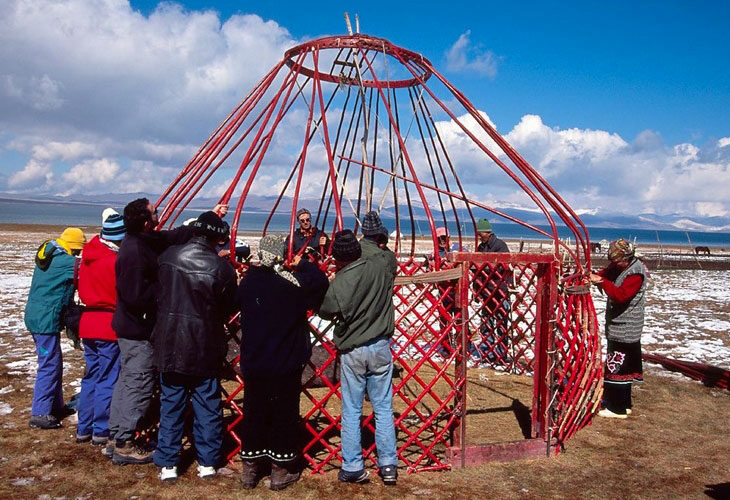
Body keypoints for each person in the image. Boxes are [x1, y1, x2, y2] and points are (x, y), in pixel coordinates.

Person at [109, 197, 226, 465]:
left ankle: (116, 436)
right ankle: (124, 443)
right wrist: (169, 292)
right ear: (147, 221)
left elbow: (172, 236)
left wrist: (207, 216)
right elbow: (136, 296)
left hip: (135, 327)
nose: (159, 214)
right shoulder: (135, 252)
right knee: (137, 383)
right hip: (137, 330)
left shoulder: (144, 240)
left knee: (129, 381)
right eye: (155, 212)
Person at [235, 234, 328, 491]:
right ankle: (280, 471)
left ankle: (249, 472)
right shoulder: (292, 284)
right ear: (280, 254)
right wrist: (304, 264)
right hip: (285, 362)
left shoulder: (248, 283)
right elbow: (320, 284)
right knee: (284, 415)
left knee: (254, 412)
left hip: (255, 362)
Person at [151, 211, 238, 481]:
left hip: (170, 340)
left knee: (171, 403)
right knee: (207, 404)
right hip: (204, 343)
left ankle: (167, 464)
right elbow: (228, 306)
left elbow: (158, 295)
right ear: (216, 237)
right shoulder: (222, 268)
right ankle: (208, 463)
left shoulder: (168, 257)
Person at [319, 230, 398, 486]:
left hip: (353, 350)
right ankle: (388, 466)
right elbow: (389, 258)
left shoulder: (340, 282)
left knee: (352, 409)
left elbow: (326, 310)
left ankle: (352, 466)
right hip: (380, 346)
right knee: (383, 407)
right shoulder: (380, 267)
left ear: (337, 257)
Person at [24, 227, 86, 429]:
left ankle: (55, 405)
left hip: (38, 316)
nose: (78, 254)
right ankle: (40, 412)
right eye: (78, 250)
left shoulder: (51, 252)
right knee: (49, 363)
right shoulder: (65, 262)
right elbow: (86, 269)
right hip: (45, 320)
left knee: (54, 360)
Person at [75, 209, 125, 446]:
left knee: (91, 376)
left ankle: (83, 427)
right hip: (107, 324)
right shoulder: (113, 262)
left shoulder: (88, 256)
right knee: (108, 377)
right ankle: (101, 429)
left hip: (88, 323)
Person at [589, 238, 648, 419]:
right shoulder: (621, 266)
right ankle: (624, 403)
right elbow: (607, 272)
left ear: (627, 257)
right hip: (622, 325)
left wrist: (602, 283)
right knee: (625, 366)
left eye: (619, 261)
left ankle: (617, 408)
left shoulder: (635, 273)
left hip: (626, 327)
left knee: (617, 365)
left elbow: (621, 295)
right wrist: (594, 276)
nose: (616, 264)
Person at [473, 218, 512, 366]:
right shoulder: (481, 247)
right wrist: (476, 290)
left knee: (502, 324)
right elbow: (476, 270)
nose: (478, 235)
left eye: (480, 233)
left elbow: (504, 266)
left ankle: (502, 355)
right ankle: (488, 352)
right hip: (485, 292)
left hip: (499, 291)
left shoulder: (500, 245)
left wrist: (486, 267)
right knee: (487, 324)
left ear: (487, 232)